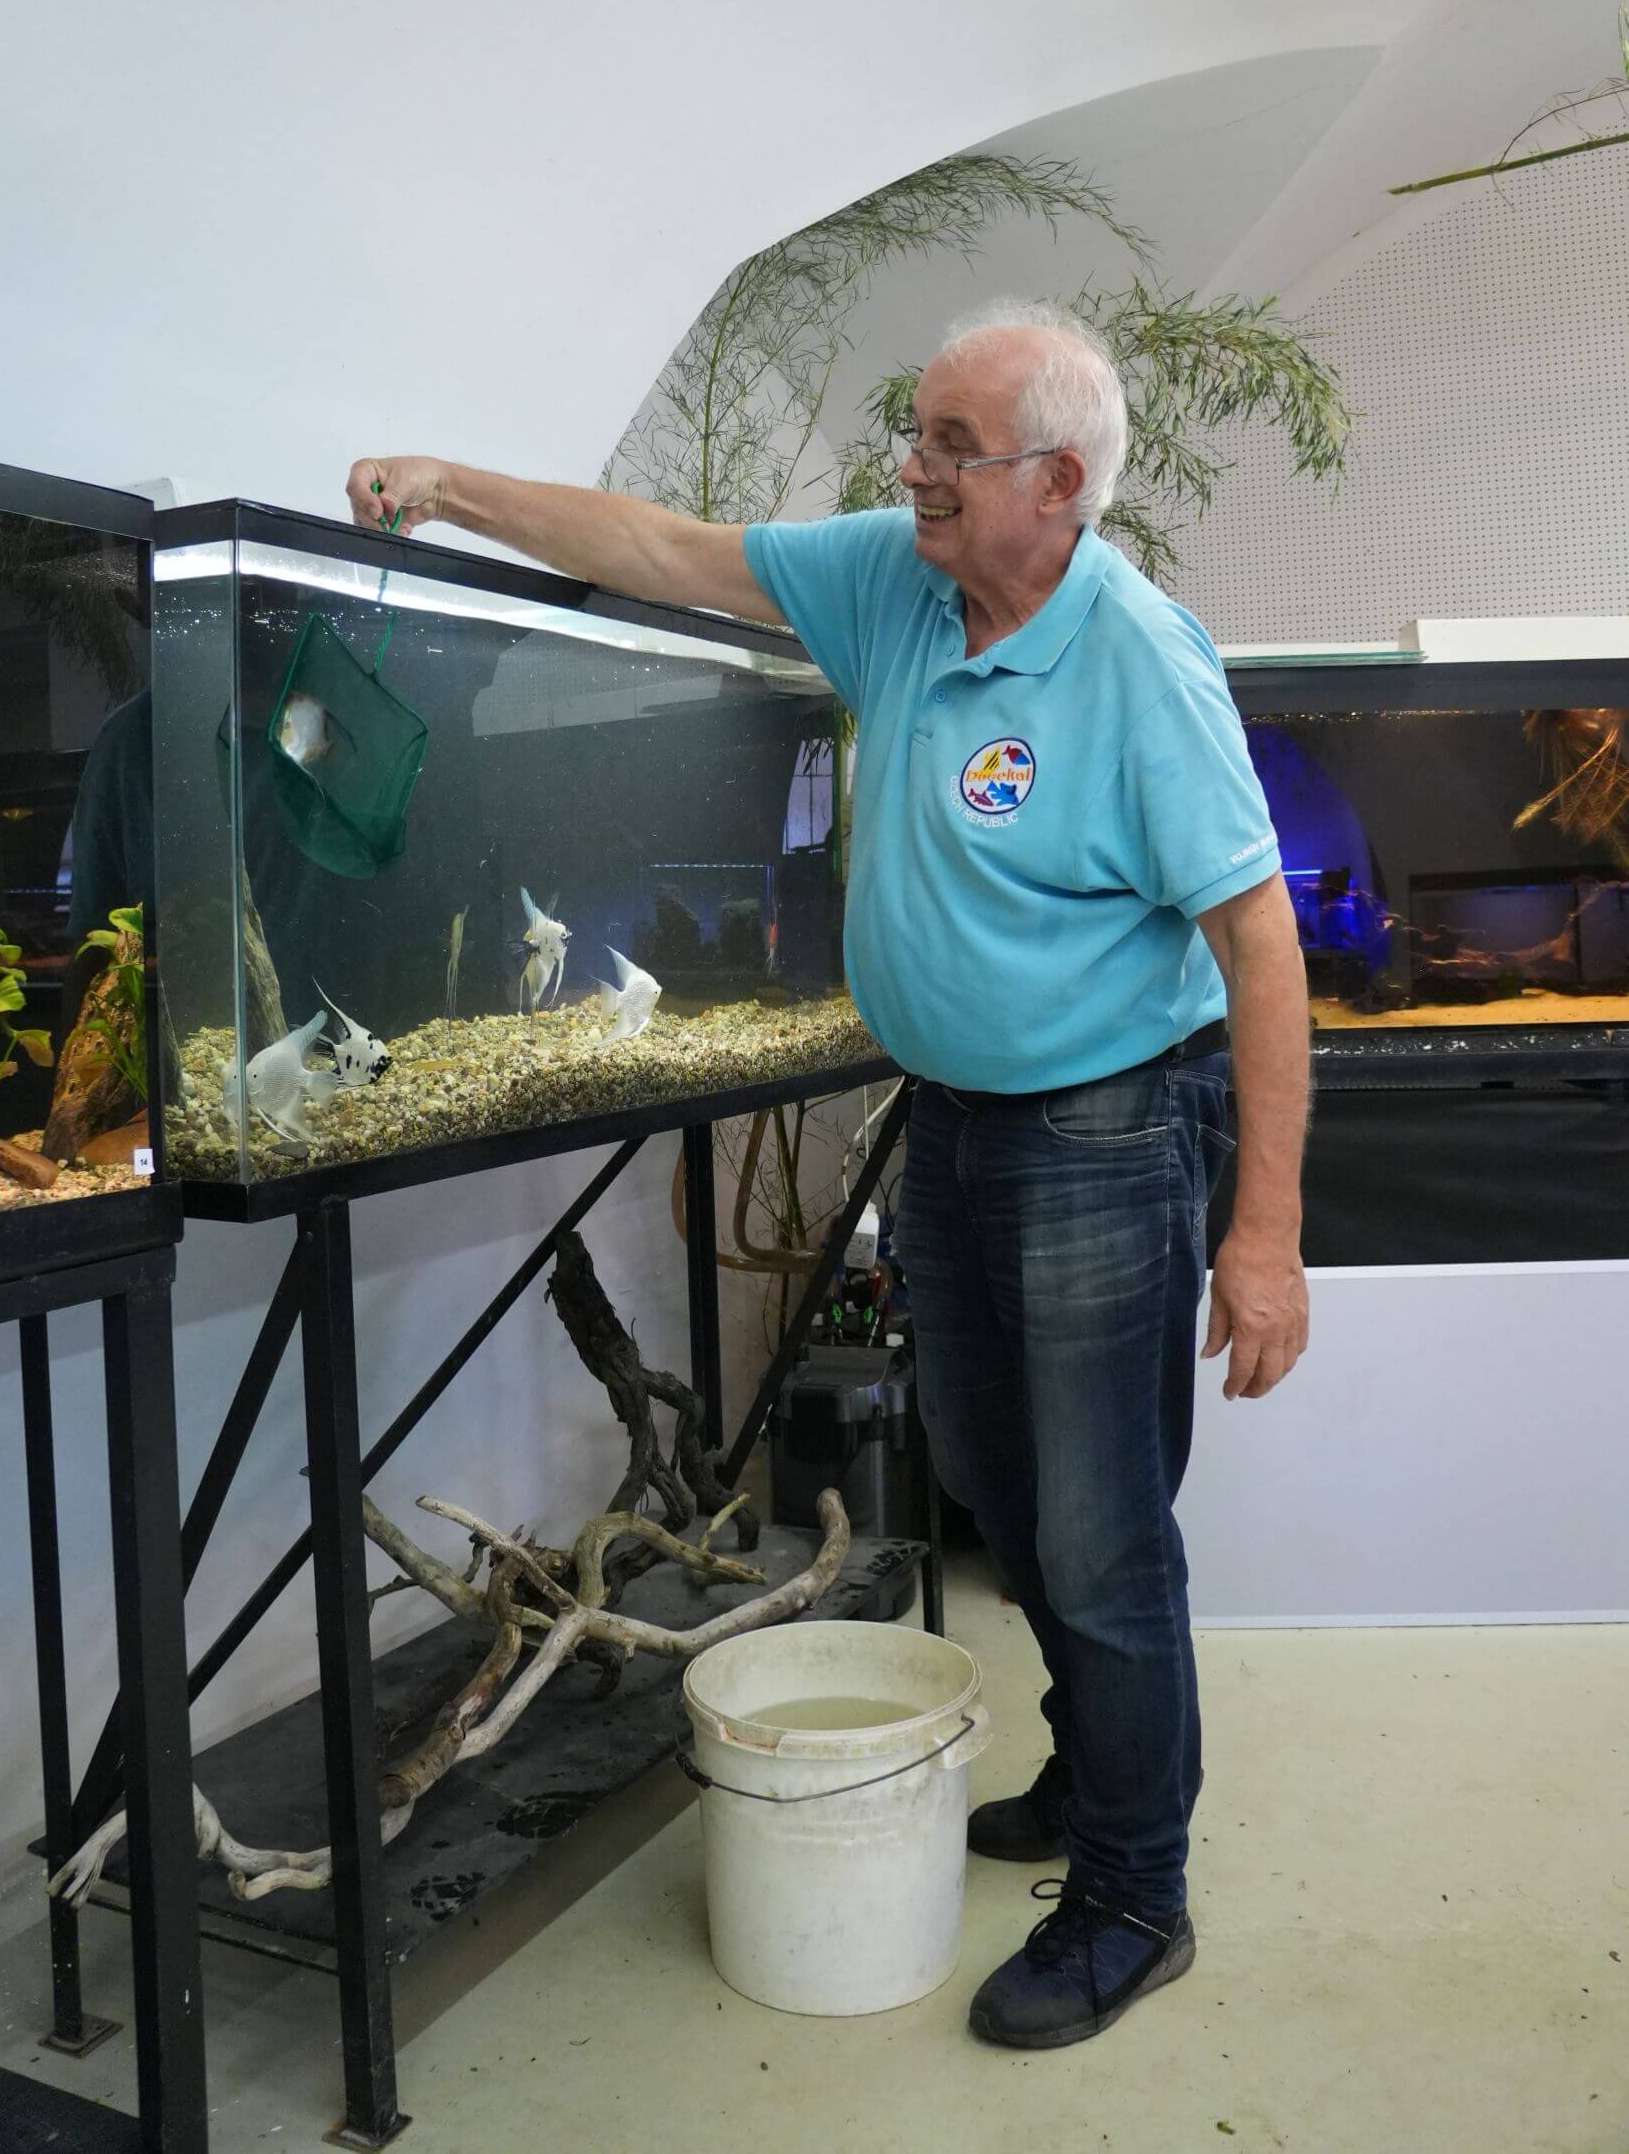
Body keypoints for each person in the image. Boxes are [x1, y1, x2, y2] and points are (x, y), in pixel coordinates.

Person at [347, 297, 1311, 2053]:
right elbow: (665, 548)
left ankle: (1135, 1891)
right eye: (918, 434)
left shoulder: (1137, 659)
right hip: (952, 1123)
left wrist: (1266, 1235)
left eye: (953, 446)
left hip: (1107, 1131)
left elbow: (1261, 938)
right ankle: (1095, 1772)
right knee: (1000, 1489)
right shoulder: (896, 578)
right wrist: (452, 486)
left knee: (1102, 1531)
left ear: (1058, 483)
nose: (914, 468)